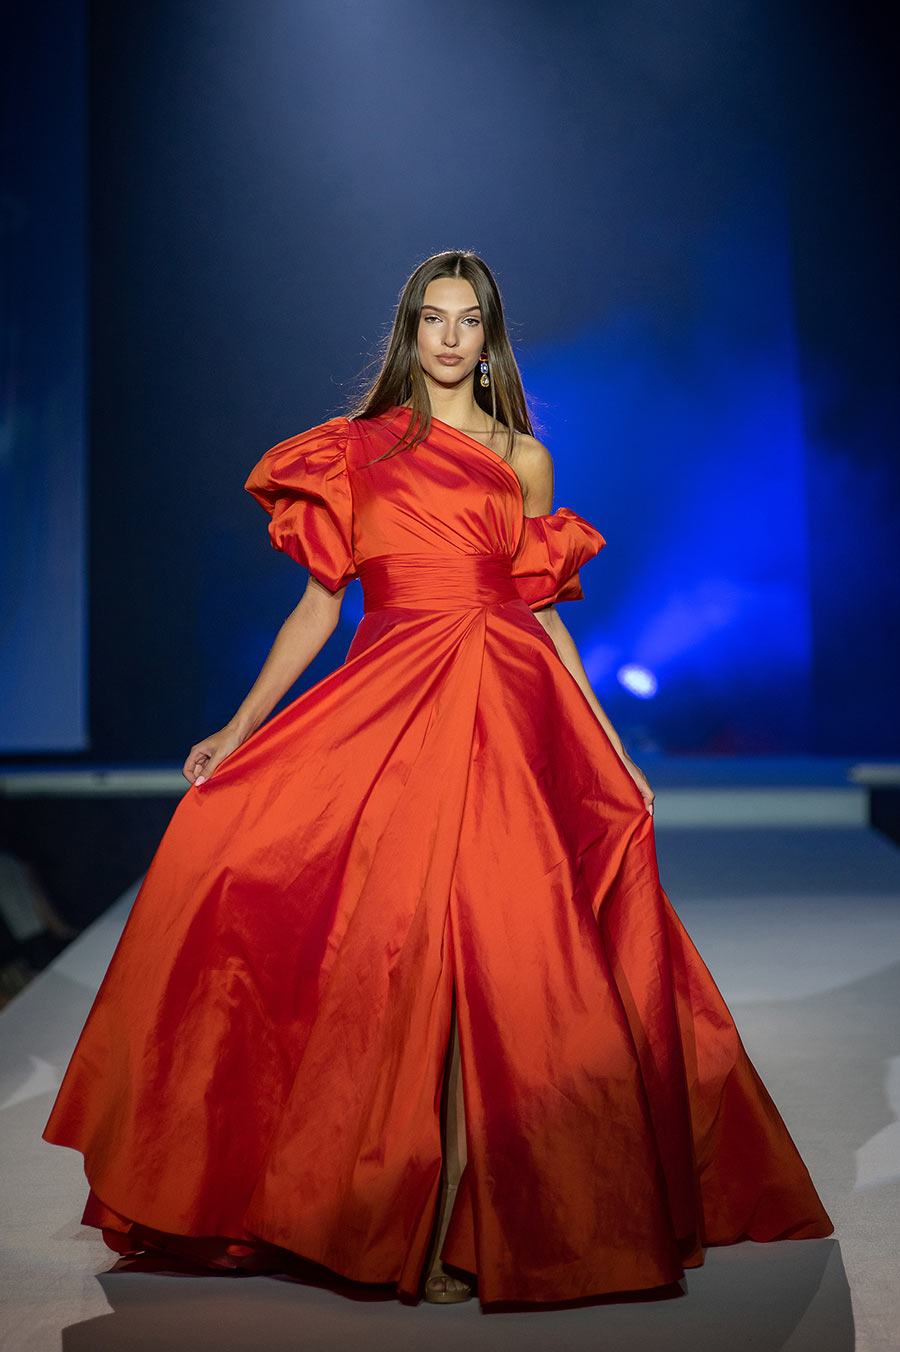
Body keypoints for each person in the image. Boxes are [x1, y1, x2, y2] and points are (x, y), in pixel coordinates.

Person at [43, 250, 832, 1307]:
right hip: (394, 703)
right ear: (409, 332)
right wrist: (239, 726)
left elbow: (543, 614)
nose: (451, 338)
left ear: (489, 337)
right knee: (336, 915)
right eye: (434, 319)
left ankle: (463, 1217)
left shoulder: (523, 457)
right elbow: (320, 606)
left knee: (496, 954)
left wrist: (611, 744)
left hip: (505, 703)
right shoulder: (353, 451)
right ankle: (385, 1199)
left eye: (469, 321)